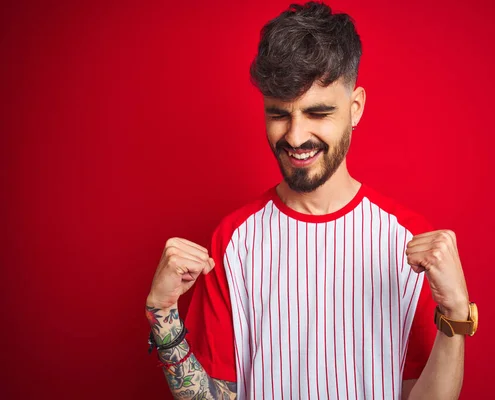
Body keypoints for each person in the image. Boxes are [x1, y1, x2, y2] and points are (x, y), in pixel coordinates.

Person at [145, 2, 477, 399]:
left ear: (355, 109)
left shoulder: (410, 242)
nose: (296, 136)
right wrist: (162, 312)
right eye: (279, 114)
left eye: (318, 113)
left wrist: (456, 316)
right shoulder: (233, 240)